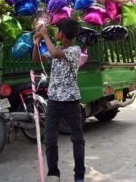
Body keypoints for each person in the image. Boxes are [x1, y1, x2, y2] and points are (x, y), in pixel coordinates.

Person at [32, 18, 85, 182]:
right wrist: (36, 43)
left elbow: (55, 54)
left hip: (71, 101)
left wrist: (45, 35)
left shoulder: (75, 50)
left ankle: (79, 175)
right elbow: (36, 59)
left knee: (77, 138)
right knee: (49, 139)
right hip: (54, 101)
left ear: (61, 34)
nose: (54, 32)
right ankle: (54, 174)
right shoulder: (57, 47)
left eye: (56, 30)